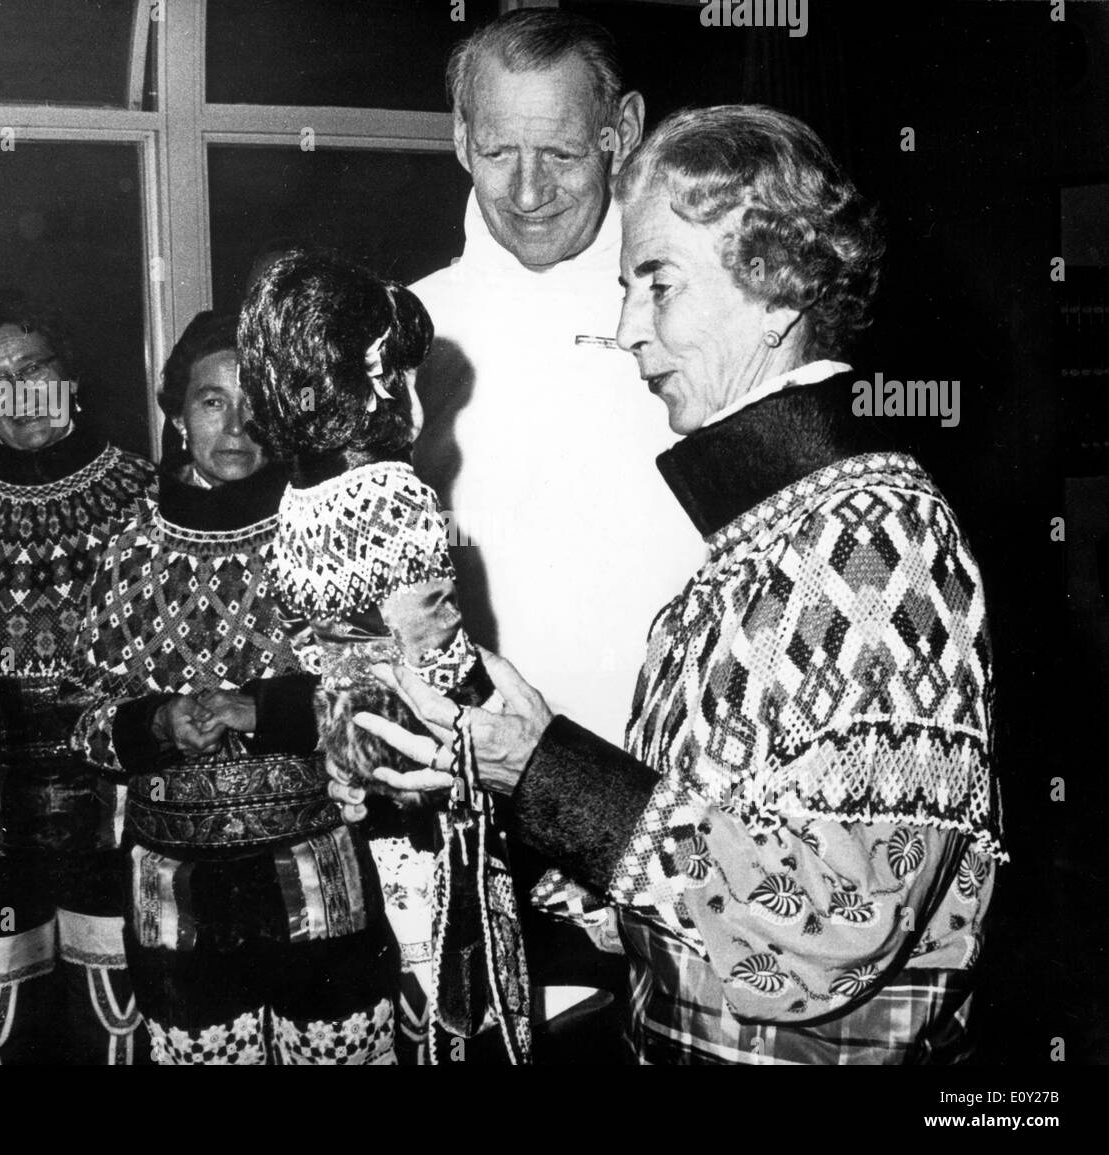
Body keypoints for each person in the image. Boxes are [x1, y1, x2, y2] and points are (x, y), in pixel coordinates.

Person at [345, 105, 1006, 1065]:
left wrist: (546, 770)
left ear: (780, 292)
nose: (625, 330)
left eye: (657, 285)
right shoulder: (774, 531)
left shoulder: (872, 540)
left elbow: (842, 914)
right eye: (625, 288)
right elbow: (715, 851)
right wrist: (507, 788)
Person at [71, 311, 398, 1065]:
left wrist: (268, 709)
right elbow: (81, 717)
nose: (237, 422)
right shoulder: (126, 548)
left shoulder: (326, 536)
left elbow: (387, 698)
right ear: (178, 414)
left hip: (317, 875)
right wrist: (155, 723)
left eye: (259, 399)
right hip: (172, 894)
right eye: (213, 399)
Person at [240, 252, 528, 1064]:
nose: (411, 387)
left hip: (354, 772)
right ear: (369, 366)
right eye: (400, 367)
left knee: (415, 999)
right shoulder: (391, 491)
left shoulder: (297, 497)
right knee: (471, 1004)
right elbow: (437, 660)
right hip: (431, 780)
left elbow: (321, 650)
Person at [410, 9, 706, 748]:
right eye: (499, 152)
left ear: (624, 130)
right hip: (468, 771)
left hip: (662, 777)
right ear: (458, 138)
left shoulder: (701, 316)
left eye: (563, 154)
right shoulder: (409, 328)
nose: (529, 191)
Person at [0, 292, 157, 1064]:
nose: (19, 392)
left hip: (117, 812)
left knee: (115, 1025)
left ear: (67, 371)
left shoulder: (149, 497)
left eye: (35, 365)